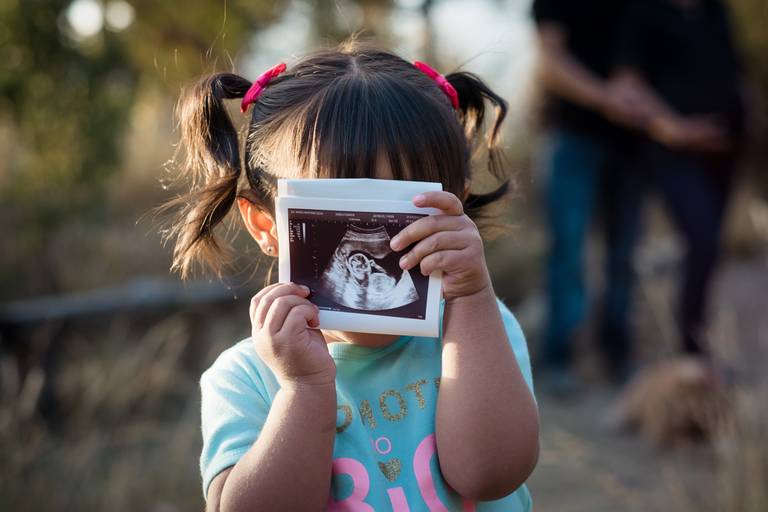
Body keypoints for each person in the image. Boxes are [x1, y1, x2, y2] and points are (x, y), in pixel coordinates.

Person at [161, 42, 539, 511]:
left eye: (402, 215)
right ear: (266, 226)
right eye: (337, 218)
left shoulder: (479, 330)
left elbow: (492, 474)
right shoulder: (246, 378)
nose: (376, 251)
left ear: (454, 207)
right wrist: (304, 390)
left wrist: (475, 297)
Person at [613, 0, 747, 358]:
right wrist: (675, 128)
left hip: (725, 151)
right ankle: (691, 349)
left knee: (711, 246)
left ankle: (699, 338)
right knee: (700, 237)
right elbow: (628, 83)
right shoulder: (643, 14)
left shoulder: (714, 11)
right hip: (674, 154)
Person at [531, 0, 647, 387]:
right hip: (573, 137)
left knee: (625, 252)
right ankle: (559, 355)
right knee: (569, 249)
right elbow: (550, 63)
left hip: (631, 145)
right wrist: (606, 98)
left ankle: (618, 354)